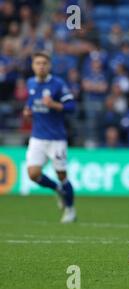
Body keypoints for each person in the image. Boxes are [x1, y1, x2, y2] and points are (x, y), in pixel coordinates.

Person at [22, 52, 77, 223]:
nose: (41, 66)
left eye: (44, 63)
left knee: (62, 174)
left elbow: (72, 106)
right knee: (32, 174)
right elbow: (31, 102)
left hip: (56, 138)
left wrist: (54, 104)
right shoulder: (30, 83)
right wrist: (27, 111)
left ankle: (70, 210)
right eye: (38, 63)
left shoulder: (58, 84)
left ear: (49, 66)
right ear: (33, 66)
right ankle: (57, 190)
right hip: (37, 137)